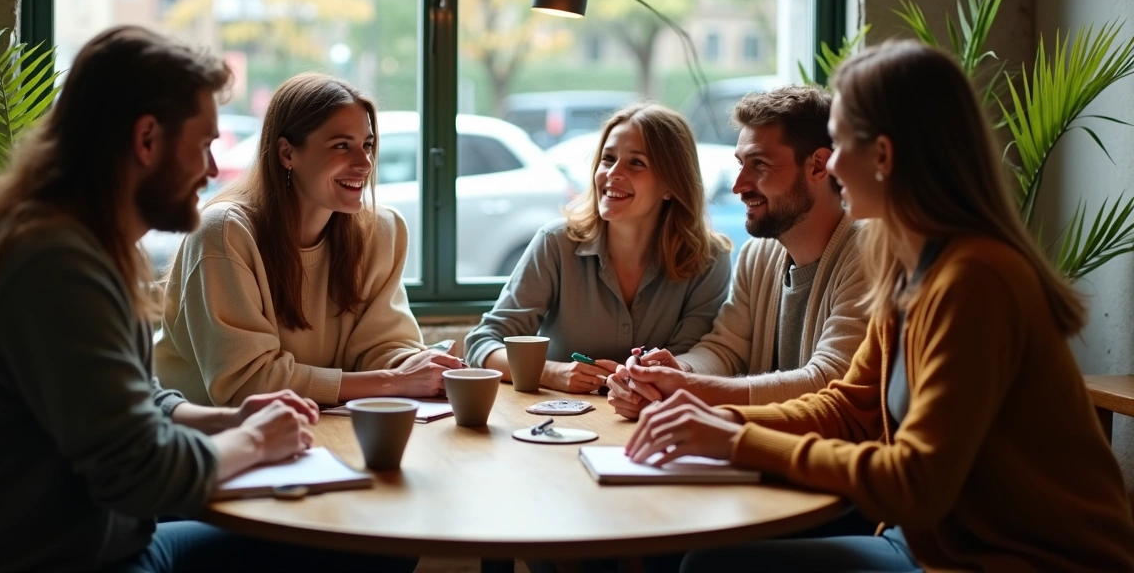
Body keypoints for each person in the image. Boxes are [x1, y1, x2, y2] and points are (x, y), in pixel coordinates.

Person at [0, 26, 413, 572]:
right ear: (147, 139)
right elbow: (142, 474)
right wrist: (251, 442)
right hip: (52, 560)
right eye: (203, 145)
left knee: (374, 546)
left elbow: (143, 400)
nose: (209, 171)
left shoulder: (76, 245)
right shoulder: (52, 265)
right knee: (365, 550)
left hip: (99, 543)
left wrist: (226, 422)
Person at [627, 41, 1134, 572]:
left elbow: (916, 483)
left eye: (841, 144)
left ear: (884, 156)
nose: (833, 163)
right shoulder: (903, 262)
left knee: (710, 567)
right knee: (701, 560)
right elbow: (848, 406)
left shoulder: (975, 280)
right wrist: (716, 420)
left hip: (1027, 562)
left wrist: (737, 440)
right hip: (924, 547)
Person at [155, 73, 462, 407]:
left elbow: (381, 347)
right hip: (205, 441)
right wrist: (394, 381)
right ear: (287, 153)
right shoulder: (224, 233)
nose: (364, 164)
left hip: (318, 426)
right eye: (341, 146)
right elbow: (246, 384)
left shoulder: (380, 231)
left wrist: (418, 365)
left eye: (368, 145)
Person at [606, 87, 868, 418]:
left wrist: (688, 389)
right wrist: (677, 373)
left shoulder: (868, 255)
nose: (739, 185)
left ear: (818, 166)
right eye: (741, 164)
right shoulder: (757, 256)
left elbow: (829, 382)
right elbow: (725, 350)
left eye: (759, 164)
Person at [463, 103, 733, 393]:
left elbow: (688, 359)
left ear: (671, 185)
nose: (612, 173)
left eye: (636, 163)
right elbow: (483, 345)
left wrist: (655, 378)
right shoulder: (556, 243)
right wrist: (552, 373)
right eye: (608, 159)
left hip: (651, 419)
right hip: (558, 421)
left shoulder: (708, 259)